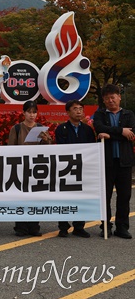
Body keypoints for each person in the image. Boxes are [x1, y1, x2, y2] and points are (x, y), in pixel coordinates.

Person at [93, 84, 134, 239]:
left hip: (125, 161)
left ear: (119, 97)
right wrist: (121, 131)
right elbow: (99, 128)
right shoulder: (100, 114)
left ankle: (122, 227)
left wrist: (110, 134)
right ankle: (105, 226)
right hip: (106, 162)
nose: (110, 100)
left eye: (113, 97)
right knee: (106, 195)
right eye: (107, 98)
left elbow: (132, 133)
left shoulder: (128, 114)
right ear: (103, 100)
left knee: (124, 196)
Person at [7, 100, 52, 237]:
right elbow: (10, 148)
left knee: (35, 197)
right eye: (29, 112)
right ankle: (20, 226)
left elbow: (49, 148)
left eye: (34, 112)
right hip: (20, 166)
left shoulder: (41, 128)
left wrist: (46, 140)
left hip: (37, 167)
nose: (32, 115)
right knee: (20, 197)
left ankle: (34, 226)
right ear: (24, 113)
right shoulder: (17, 128)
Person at [55, 99, 96, 238]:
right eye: (75, 109)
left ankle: (79, 226)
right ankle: (63, 226)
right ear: (68, 112)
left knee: (81, 197)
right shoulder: (62, 129)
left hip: (83, 169)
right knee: (64, 198)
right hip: (66, 168)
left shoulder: (88, 130)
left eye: (80, 109)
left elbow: (92, 149)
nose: (78, 111)